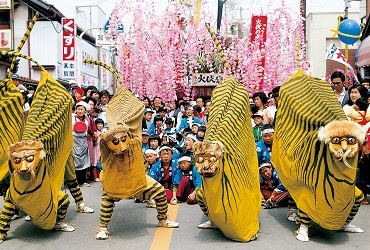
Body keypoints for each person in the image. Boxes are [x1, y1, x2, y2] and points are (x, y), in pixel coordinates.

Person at [72, 101, 91, 186]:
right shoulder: (72, 118)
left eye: (81, 109)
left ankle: (83, 181)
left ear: (85, 111)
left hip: (83, 141)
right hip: (74, 140)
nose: (79, 111)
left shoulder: (87, 119)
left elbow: (87, 129)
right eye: (78, 109)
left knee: (84, 161)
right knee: (75, 161)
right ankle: (75, 181)